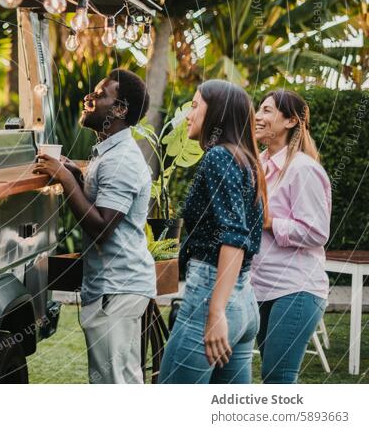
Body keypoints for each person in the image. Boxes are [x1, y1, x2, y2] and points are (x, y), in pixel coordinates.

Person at [34, 69, 156, 384]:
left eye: (101, 94)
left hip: (117, 288)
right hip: (116, 286)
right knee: (124, 380)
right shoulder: (110, 153)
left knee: (112, 384)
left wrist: (63, 179)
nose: (90, 98)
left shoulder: (120, 160)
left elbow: (102, 227)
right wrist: (76, 175)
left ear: (120, 109)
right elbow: (102, 203)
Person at [159, 80, 265, 384]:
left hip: (211, 296)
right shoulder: (247, 160)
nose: (188, 115)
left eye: (195, 106)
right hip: (244, 302)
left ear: (217, 113)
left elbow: (234, 237)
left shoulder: (218, 157)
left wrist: (215, 311)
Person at [252, 90, 331, 383]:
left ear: (290, 121)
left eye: (268, 111)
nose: (258, 117)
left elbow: (317, 231)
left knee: (278, 376)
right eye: (258, 110)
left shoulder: (303, 169)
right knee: (270, 374)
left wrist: (271, 222)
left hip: (296, 288)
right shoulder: (257, 164)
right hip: (260, 287)